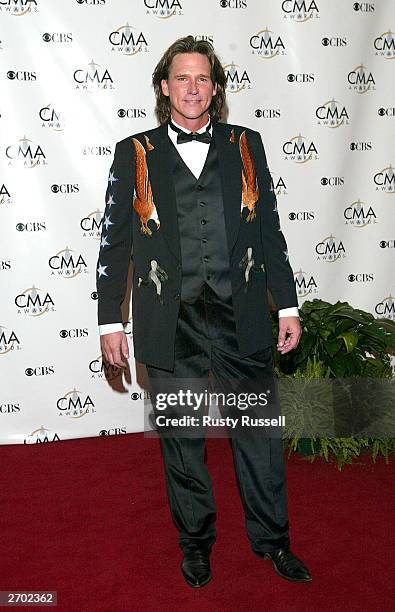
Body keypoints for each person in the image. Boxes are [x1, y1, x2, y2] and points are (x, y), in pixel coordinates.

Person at [96, 35, 312, 588]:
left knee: (259, 437)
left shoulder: (247, 144)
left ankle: (274, 541)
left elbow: (268, 231)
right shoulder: (134, 151)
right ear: (164, 88)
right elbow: (115, 244)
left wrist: (286, 304)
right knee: (183, 443)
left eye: (203, 79)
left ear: (215, 89)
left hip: (242, 318)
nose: (192, 88)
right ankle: (196, 544)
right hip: (172, 323)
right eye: (181, 78)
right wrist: (110, 322)